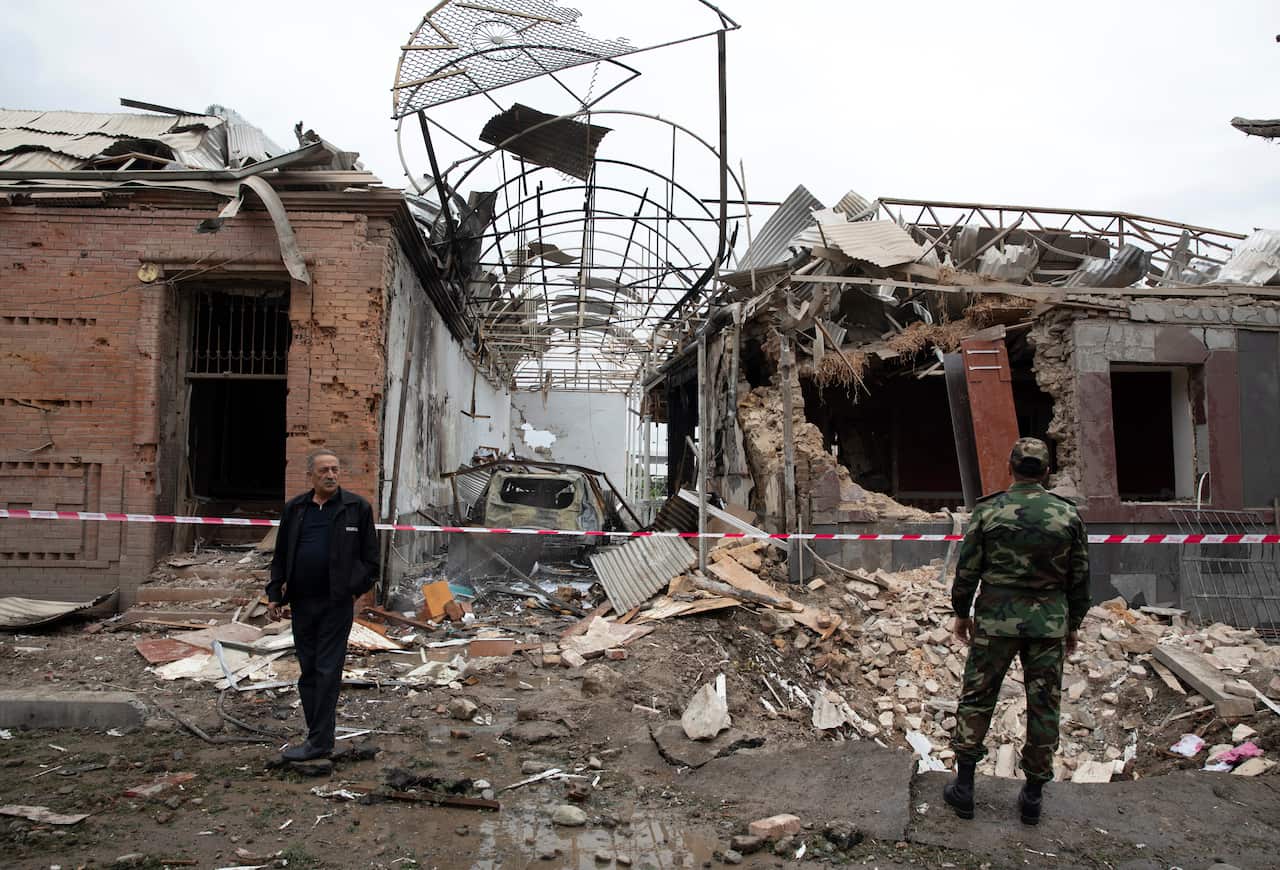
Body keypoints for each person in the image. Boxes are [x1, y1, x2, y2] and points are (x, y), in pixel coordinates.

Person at [943, 437, 1090, 825]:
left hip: (995, 621)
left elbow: (967, 569)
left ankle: (966, 788)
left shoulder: (989, 512)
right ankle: (1033, 796)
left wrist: (962, 612)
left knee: (978, 697)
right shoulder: (1066, 515)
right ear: (1046, 472)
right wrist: (1072, 624)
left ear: (1010, 468)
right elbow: (1080, 578)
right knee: (1044, 706)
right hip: (1048, 624)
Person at [266, 449, 379, 761]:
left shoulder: (356, 508)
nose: (331, 475)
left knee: (328, 669)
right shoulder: (296, 509)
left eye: (335, 469)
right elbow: (281, 556)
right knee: (309, 670)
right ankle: (317, 735)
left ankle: (320, 741)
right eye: (324, 471)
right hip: (303, 602)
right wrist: (275, 593)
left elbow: (371, 562)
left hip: (335, 604)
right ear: (311, 476)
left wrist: (351, 591)